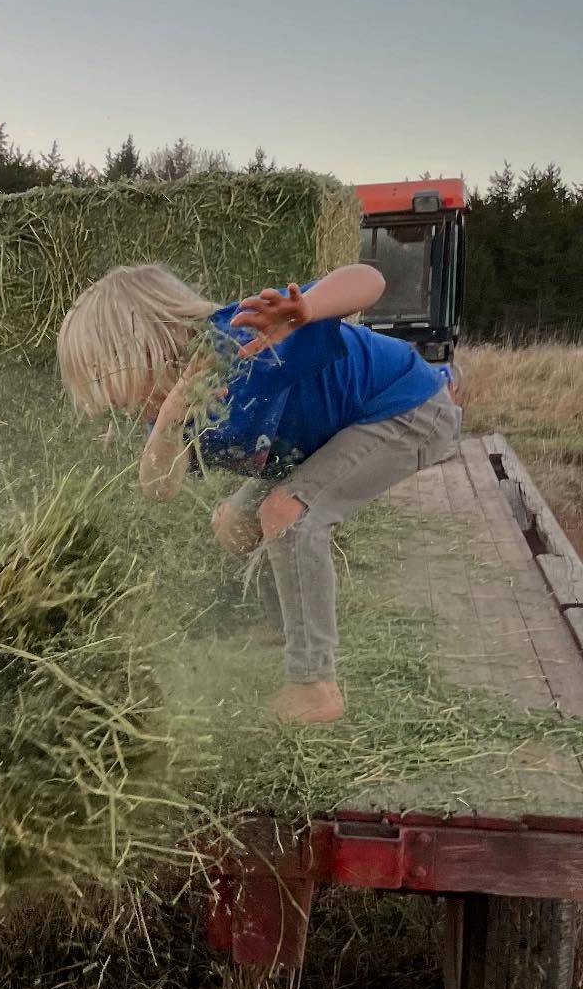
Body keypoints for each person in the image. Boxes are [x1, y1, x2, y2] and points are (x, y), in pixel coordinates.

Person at [57, 261, 461, 725]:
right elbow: (157, 489)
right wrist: (167, 419)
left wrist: (307, 308)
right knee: (233, 520)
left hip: (409, 409)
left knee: (288, 513)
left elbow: (371, 279)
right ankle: (282, 623)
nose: (119, 406)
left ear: (149, 346)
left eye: (116, 386)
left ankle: (315, 687)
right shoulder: (170, 402)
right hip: (328, 436)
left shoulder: (246, 339)